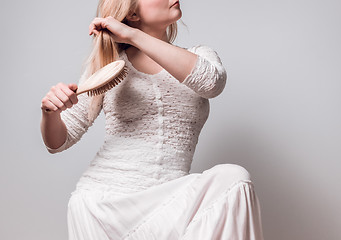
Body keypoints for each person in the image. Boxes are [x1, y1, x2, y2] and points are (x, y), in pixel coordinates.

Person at [40, 0, 264, 239]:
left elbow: (211, 83)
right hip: (105, 205)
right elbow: (58, 143)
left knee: (233, 178)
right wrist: (49, 113)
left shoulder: (200, 56)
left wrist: (133, 35)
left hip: (172, 205)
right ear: (133, 12)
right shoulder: (108, 68)